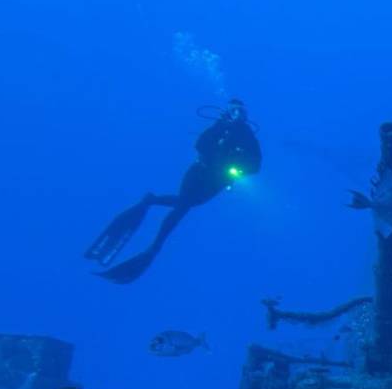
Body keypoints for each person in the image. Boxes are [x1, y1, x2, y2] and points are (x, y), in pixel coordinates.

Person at [85, 99, 262, 284]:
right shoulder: (219, 127)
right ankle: (156, 244)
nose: (237, 114)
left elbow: (255, 165)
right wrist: (220, 127)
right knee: (183, 205)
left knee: (185, 203)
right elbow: (200, 145)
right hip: (199, 171)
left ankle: (150, 202)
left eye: (240, 111)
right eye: (234, 110)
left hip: (218, 180)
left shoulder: (248, 135)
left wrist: (237, 167)